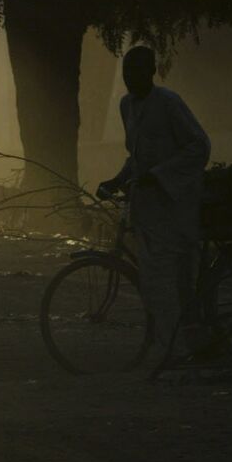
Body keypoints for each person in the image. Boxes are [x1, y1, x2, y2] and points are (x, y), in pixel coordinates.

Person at [97, 46, 211, 354]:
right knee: (158, 278)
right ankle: (177, 343)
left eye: (136, 73)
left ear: (150, 73)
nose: (131, 80)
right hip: (147, 205)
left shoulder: (169, 103)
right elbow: (136, 155)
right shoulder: (126, 106)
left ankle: (177, 347)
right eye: (126, 74)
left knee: (168, 278)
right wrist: (116, 180)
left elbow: (199, 147)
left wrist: (160, 174)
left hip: (176, 202)